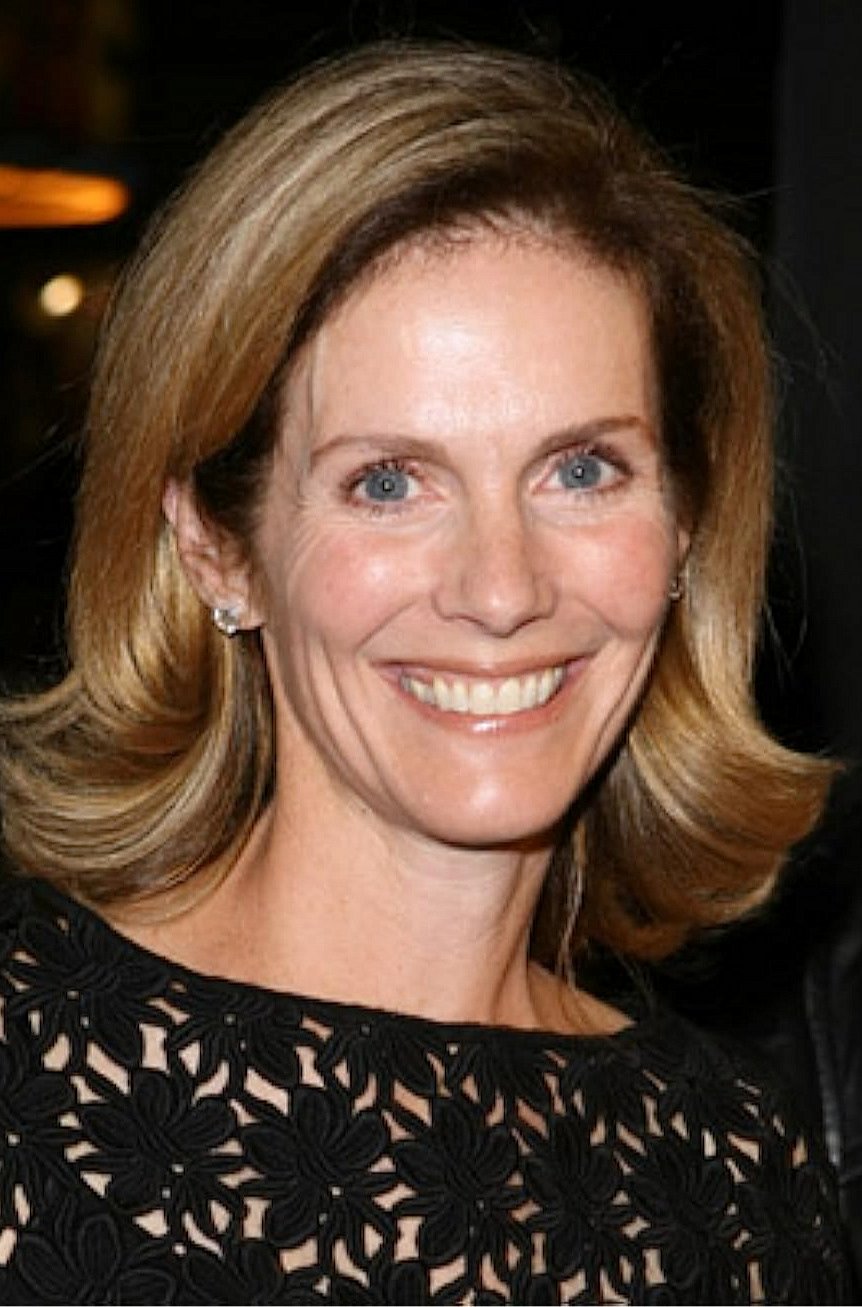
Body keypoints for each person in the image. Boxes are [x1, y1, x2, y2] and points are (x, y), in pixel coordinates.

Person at [0, 40, 850, 1305]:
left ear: (685, 523)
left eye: (580, 470)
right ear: (217, 546)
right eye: (388, 482)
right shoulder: (24, 1072)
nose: (501, 590)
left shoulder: (737, 1175)